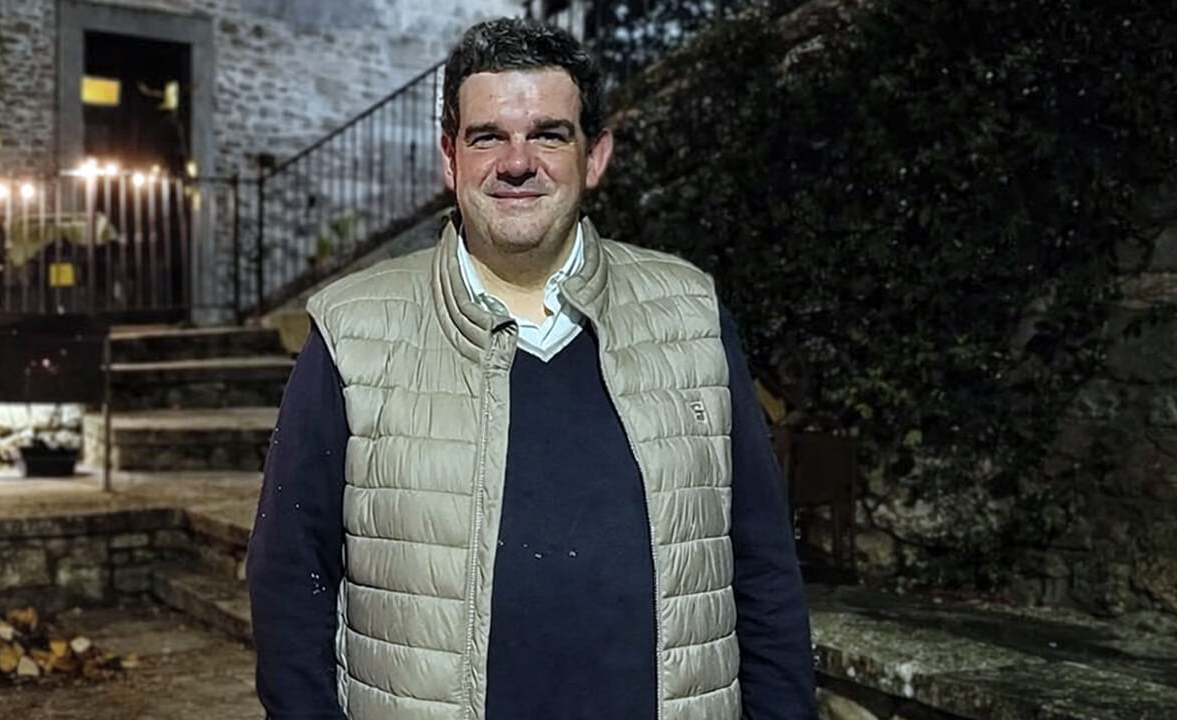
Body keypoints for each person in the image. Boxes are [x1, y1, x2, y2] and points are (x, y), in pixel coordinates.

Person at [247, 17, 816, 720]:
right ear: (450, 158)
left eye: (548, 134)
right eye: (488, 137)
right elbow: (288, 579)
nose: (517, 163)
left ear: (595, 156)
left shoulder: (690, 315)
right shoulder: (352, 332)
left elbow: (763, 567)